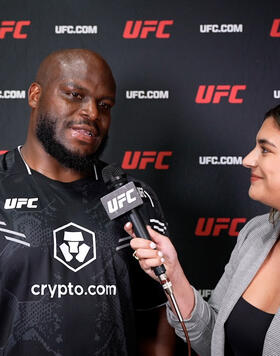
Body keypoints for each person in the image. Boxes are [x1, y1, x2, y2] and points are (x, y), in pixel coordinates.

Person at [0, 49, 175, 356]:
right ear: (35, 95)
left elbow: (157, 320)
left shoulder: (133, 197)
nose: (92, 113)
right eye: (74, 94)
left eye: (104, 105)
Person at [125, 104, 280, 356]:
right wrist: (173, 274)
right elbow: (212, 342)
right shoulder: (256, 233)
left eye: (265, 149)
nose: (247, 159)